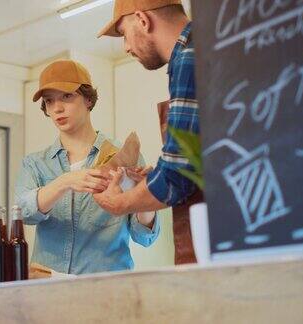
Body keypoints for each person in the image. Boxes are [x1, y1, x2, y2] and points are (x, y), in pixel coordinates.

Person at [15, 60, 159, 274]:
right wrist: (64, 182)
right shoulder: (35, 164)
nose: (58, 108)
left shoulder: (124, 156)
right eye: (49, 101)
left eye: (67, 96)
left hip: (106, 290)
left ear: (88, 99)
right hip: (48, 291)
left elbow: (144, 237)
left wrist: (145, 198)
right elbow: (23, 213)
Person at [95, 0, 201, 264]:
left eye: (123, 34)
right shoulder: (203, 49)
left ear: (143, 20)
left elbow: (178, 175)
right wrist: (156, 177)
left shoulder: (189, 57)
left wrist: (119, 203)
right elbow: (199, 162)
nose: (127, 47)